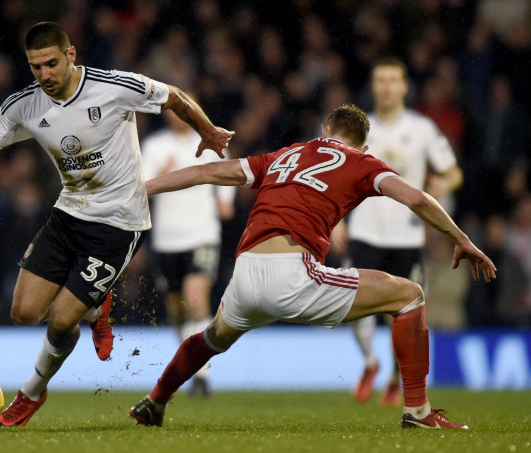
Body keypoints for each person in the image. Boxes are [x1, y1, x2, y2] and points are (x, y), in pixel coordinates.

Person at [0, 22, 233, 427]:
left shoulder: (113, 87)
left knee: (60, 319)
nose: (44, 75)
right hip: (69, 213)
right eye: (35, 67)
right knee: (23, 313)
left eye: (51, 64)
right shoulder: (24, 105)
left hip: (119, 222)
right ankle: (95, 305)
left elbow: (173, 96)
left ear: (71, 55)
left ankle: (31, 393)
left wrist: (208, 130)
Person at [129, 104, 495, 430]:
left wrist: (142, 188)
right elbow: (416, 197)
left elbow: (205, 171)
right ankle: (418, 412)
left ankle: (155, 401)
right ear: (363, 146)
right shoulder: (362, 161)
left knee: (211, 338)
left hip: (245, 273)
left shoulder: (285, 155)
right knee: (409, 295)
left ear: (324, 131)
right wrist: (461, 237)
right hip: (292, 273)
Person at [340, 58, 463, 405]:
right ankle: (370, 362)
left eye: (393, 80)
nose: (387, 86)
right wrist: (337, 222)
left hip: (407, 236)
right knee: (352, 303)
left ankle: (396, 378)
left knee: (405, 312)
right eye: (380, 80)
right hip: (364, 229)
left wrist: (443, 183)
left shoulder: (422, 128)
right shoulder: (359, 128)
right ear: (373, 85)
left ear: (405, 87)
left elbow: (454, 172)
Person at [141, 106, 236, 397]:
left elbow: (227, 195)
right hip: (167, 239)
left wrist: (224, 201)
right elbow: (140, 187)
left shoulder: (212, 147)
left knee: (195, 299)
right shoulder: (155, 146)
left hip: (201, 235)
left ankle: (202, 376)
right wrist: (161, 172)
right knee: (176, 310)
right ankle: (192, 365)